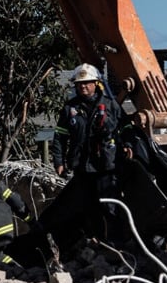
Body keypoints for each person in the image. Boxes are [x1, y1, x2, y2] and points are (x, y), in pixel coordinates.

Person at [47, 63, 129, 248]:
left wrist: (129, 145)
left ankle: (118, 242)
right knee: (88, 206)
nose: (83, 86)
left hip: (106, 165)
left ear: (96, 84)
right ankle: (95, 241)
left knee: (110, 204)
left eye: (87, 83)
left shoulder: (110, 105)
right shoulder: (70, 108)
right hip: (82, 167)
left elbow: (126, 128)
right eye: (79, 84)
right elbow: (60, 136)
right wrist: (59, 161)